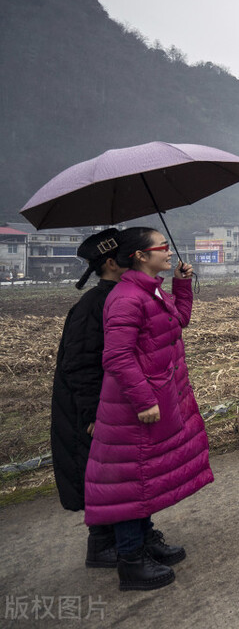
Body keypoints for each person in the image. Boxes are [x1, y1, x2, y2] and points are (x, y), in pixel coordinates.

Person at [84, 227, 213, 592]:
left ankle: (145, 540)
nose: (169, 252)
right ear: (140, 256)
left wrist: (181, 286)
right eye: (162, 248)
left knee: (144, 476)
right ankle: (131, 560)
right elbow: (118, 356)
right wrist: (145, 401)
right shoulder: (126, 298)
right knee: (131, 482)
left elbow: (178, 321)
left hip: (156, 396)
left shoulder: (149, 290)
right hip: (135, 406)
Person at [49, 229, 127, 569]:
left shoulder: (118, 296)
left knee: (116, 471)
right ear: (111, 263)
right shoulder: (93, 305)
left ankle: (124, 537)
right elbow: (80, 364)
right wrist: (95, 412)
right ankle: (101, 543)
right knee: (101, 471)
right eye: (130, 255)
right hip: (92, 407)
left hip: (110, 402)